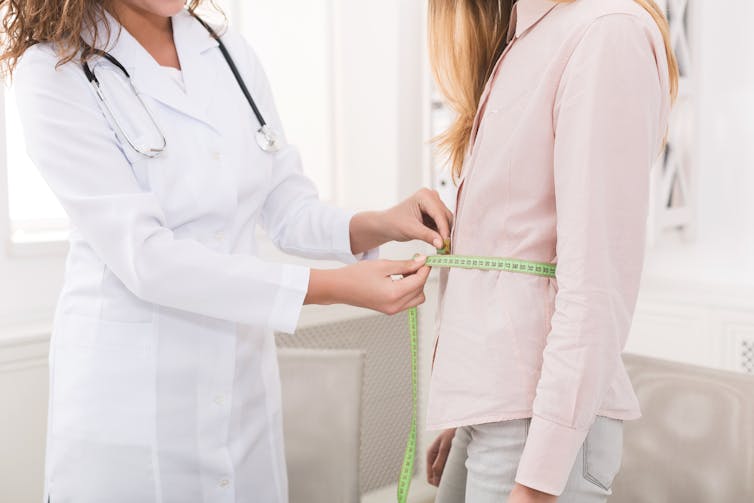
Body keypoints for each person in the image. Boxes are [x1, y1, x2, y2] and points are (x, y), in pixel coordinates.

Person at [0, 1, 453, 501]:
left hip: (241, 392)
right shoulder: (53, 71)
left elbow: (286, 205)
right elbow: (147, 259)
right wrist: (330, 289)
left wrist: (379, 223)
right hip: (129, 407)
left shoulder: (224, 50)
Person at [423, 0, 677, 502]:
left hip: (537, 431)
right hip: (498, 415)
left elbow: (595, 289)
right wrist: (473, 403)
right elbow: (515, 281)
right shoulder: (523, 38)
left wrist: (539, 481)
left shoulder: (606, 32)